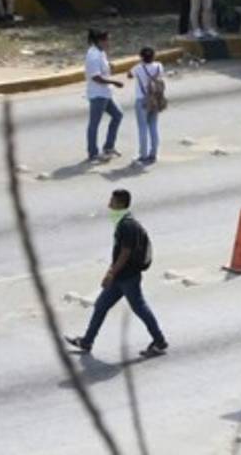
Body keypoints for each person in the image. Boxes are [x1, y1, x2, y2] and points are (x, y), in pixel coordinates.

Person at [64, 189, 167, 357]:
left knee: (140, 308)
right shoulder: (126, 220)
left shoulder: (126, 225)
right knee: (101, 306)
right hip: (122, 277)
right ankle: (87, 341)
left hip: (127, 277)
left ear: (119, 203)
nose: (108, 203)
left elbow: (125, 253)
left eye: (112, 200)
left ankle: (160, 341)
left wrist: (111, 273)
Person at [85, 29, 124, 162]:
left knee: (118, 115)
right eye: (107, 40)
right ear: (100, 41)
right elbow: (96, 77)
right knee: (94, 124)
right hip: (98, 94)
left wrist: (109, 66)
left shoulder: (100, 52)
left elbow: (102, 69)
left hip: (105, 93)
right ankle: (93, 153)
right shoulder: (93, 55)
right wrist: (115, 81)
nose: (109, 42)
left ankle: (109, 147)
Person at [128, 47, 166, 165]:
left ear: (141, 57)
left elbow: (129, 75)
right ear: (154, 56)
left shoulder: (138, 68)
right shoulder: (159, 66)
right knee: (153, 126)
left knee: (142, 128)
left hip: (142, 100)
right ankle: (153, 153)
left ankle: (143, 155)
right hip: (155, 99)